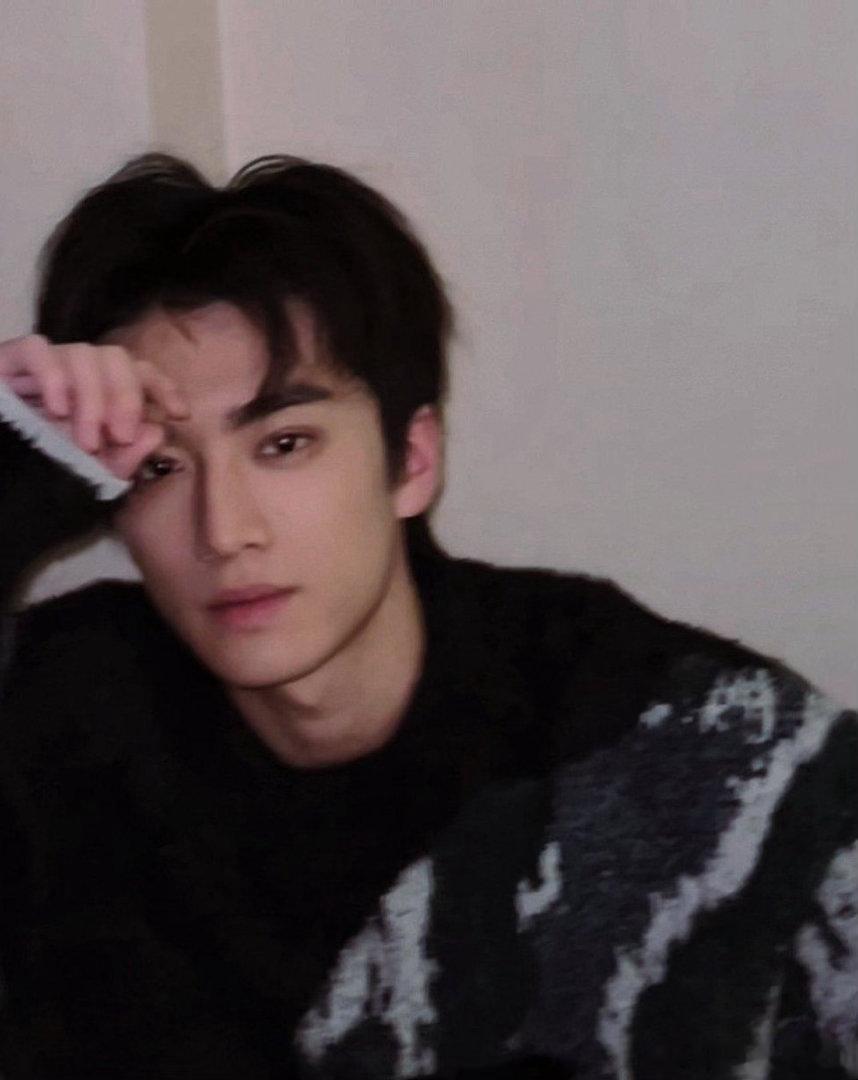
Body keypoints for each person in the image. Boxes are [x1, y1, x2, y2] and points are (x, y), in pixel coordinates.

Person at [0, 153, 855, 1080]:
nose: (224, 530)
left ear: (412, 461)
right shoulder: (62, 714)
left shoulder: (677, 742)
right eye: (161, 467)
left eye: (285, 444)